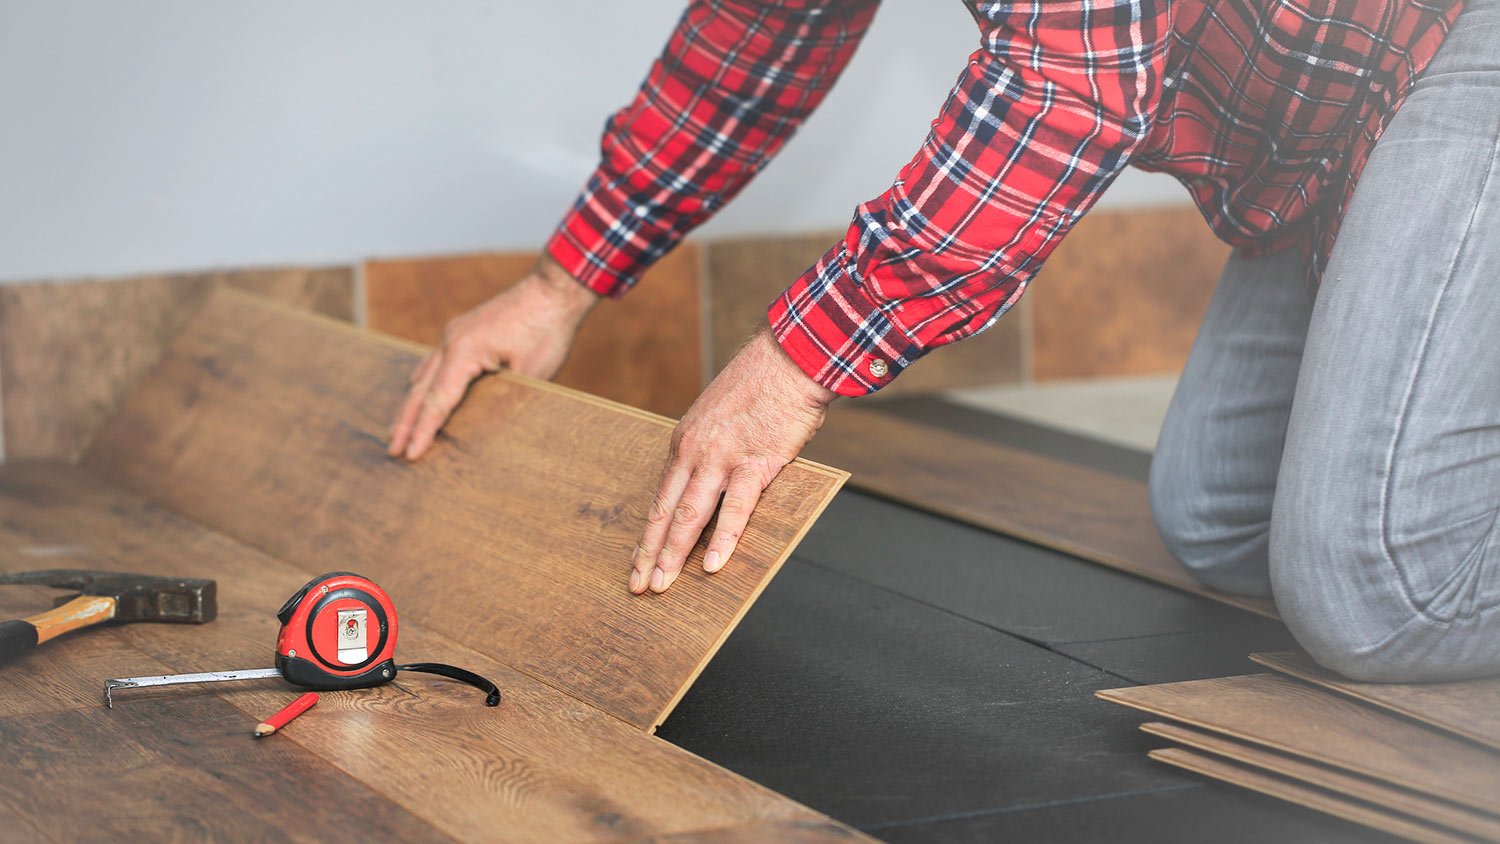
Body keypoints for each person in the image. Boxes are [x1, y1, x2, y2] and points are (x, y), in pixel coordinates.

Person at [388, 0, 1499, 682]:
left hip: (1462, 35)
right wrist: (557, 285)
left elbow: (1066, 92)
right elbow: (753, 35)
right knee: (1215, 523)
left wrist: (790, 366)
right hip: (1334, 112)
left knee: (1378, 598)